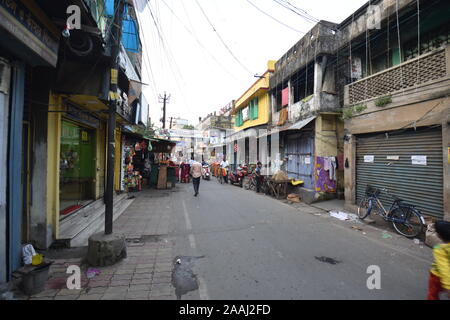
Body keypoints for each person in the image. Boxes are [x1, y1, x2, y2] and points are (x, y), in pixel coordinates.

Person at [427, 220, 450, 300]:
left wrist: (448, 286)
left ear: (439, 235)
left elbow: (444, 268)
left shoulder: (439, 249)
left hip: (437, 276)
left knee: (432, 294)